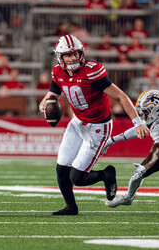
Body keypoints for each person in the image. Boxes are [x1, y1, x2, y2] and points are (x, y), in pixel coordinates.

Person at [39, 35, 150, 216]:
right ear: (60, 57)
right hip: (77, 123)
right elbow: (52, 94)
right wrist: (44, 104)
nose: (74, 58)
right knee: (61, 168)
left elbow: (121, 96)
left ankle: (106, 174)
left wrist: (137, 123)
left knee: (77, 178)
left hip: (98, 127)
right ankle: (71, 207)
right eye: (68, 55)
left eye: (76, 53)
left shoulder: (92, 71)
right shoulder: (58, 72)